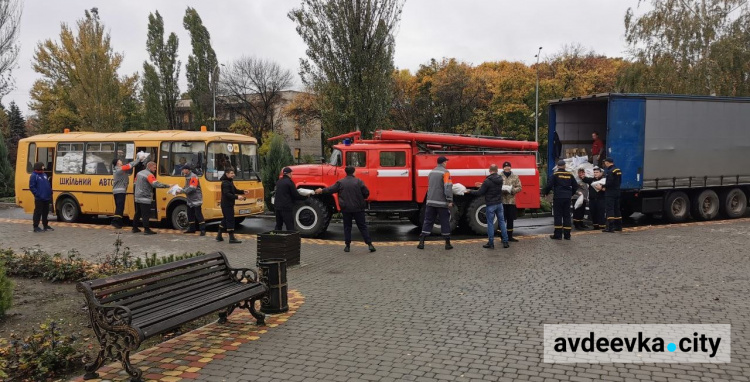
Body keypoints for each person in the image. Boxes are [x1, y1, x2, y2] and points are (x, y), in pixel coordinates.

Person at [315, 166, 376, 253]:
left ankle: (347, 246)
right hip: (358, 209)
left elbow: (331, 189)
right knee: (362, 226)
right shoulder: (359, 181)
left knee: (347, 227)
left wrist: (321, 190)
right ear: (354, 172)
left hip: (346, 208)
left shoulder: (341, 182)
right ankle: (370, 244)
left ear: (346, 173)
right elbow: (366, 193)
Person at [467, 164, 509, 249]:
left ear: (490, 171)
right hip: (499, 204)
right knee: (502, 222)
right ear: (497, 170)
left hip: (491, 204)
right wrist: (483, 185)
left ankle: (491, 243)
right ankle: (505, 242)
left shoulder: (488, 181)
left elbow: (480, 192)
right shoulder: (500, 179)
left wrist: (470, 191)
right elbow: (493, 186)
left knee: (490, 224)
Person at [417, 156, 454, 250]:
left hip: (430, 201)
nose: (446, 163)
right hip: (441, 202)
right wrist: (449, 200)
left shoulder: (431, 172)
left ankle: (421, 242)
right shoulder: (445, 172)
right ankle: (447, 243)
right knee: (444, 221)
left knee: (428, 221)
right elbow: (447, 186)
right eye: (446, 162)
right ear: (444, 163)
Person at [133, 161, 171, 235]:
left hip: (137, 196)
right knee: (145, 214)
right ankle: (146, 230)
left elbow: (135, 183)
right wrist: (167, 186)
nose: (155, 169)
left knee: (138, 213)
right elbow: (155, 184)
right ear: (150, 166)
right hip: (145, 197)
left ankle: (134, 228)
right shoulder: (149, 175)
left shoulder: (139, 173)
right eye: (154, 167)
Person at [544, 160, 576, 240]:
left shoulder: (555, 175)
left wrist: (545, 193)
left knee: (558, 215)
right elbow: (575, 186)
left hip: (558, 197)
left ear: (557, 166)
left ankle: (558, 235)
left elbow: (549, 185)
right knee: (567, 216)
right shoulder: (570, 174)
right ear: (565, 166)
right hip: (567, 197)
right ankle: (567, 235)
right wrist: (570, 194)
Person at [217, 167, 249, 243]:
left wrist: (243, 192)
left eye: (233, 173)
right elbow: (227, 194)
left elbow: (234, 190)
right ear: (226, 174)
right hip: (226, 204)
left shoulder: (229, 181)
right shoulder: (225, 183)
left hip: (228, 204)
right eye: (231, 173)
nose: (233, 175)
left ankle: (219, 236)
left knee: (225, 219)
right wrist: (237, 197)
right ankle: (231, 238)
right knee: (230, 220)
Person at [178, 164, 206, 236]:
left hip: (196, 199)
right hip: (190, 199)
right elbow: (187, 187)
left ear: (187, 170)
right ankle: (192, 229)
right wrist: (180, 189)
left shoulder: (193, 177)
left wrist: (182, 191)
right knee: (190, 214)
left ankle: (203, 230)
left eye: (183, 169)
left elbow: (192, 187)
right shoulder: (187, 177)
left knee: (198, 214)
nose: (182, 171)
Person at [111, 157, 138, 229]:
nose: (121, 161)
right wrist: (139, 159)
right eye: (120, 160)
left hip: (118, 191)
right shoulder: (120, 169)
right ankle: (115, 221)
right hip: (120, 191)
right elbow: (130, 165)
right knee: (120, 207)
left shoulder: (118, 169)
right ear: (117, 163)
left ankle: (119, 222)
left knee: (120, 207)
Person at [499, 161, 522, 242]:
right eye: (505, 166)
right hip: (502, 201)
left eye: (508, 166)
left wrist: (512, 190)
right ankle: (502, 237)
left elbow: (519, 187)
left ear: (510, 167)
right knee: (502, 220)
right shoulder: (499, 176)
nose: (507, 168)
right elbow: (495, 187)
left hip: (511, 201)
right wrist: (501, 189)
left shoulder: (515, 176)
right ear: (503, 168)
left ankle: (510, 236)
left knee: (510, 219)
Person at [29, 162, 53, 233]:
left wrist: (50, 192)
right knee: (38, 212)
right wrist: (37, 194)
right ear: (38, 168)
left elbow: (47, 184)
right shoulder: (34, 175)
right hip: (39, 198)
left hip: (46, 197)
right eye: (42, 168)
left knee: (45, 212)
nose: (43, 169)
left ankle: (45, 225)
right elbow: (32, 186)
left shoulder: (44, 174)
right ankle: (36, 227)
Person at [601, 157, 622, 233]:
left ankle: (610, 227)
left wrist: (603, 186)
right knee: (617, 209)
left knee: (610, 209)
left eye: (605, 163)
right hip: (617, 192)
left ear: (607, 162)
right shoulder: (618, 170)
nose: (605, 164)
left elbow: (609, 183)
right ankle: (619, 226)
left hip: (610, 193)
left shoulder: (610, 171)